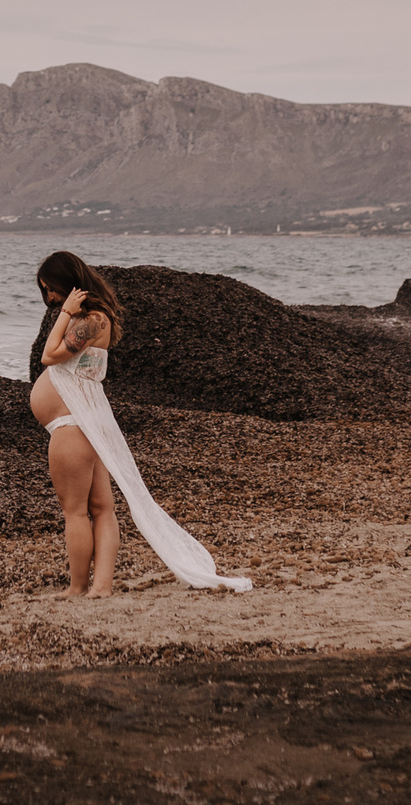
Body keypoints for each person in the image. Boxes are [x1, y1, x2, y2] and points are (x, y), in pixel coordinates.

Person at [30, 251, 252, 596]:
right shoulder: (96, 319)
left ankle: (77, 587)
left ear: (67, 283)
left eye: (52, 289)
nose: (51, 297)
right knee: (102, 509)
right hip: (85, 423)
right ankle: (101, 586)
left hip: (72, 425)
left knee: (75, 512)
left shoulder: (89, 321)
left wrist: (65, 313)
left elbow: (49, 355)